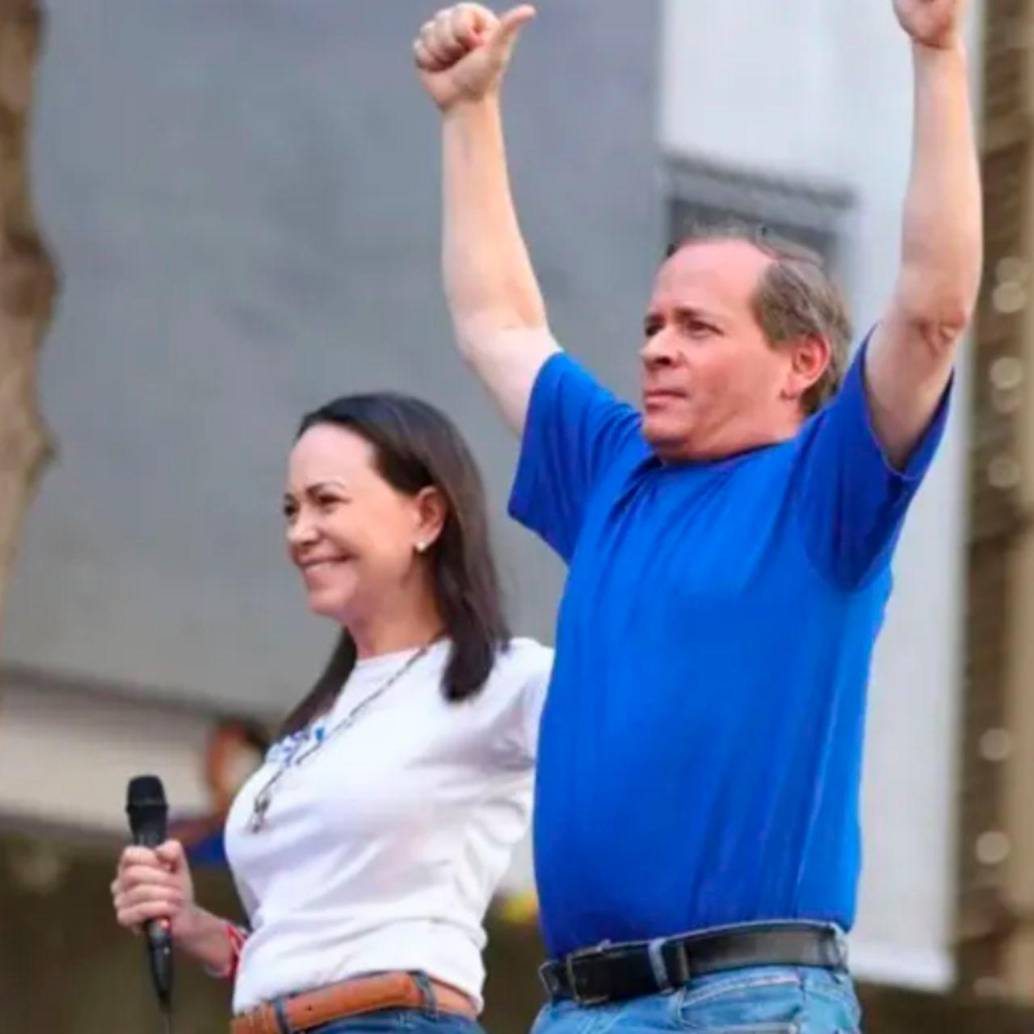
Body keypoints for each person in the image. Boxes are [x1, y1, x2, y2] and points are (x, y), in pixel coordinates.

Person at [414, 2, 981, 1032]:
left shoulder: (827, 489)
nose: (656, 347)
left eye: (695, 326)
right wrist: (469, 111)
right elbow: (497, 320)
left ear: (801, 363)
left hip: (746, 1002)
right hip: (576, 1006)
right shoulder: (611, 466)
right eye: (650, 324)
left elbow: (933, 310)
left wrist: (936, 55)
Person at [111, 393, 552, 1034]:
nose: (299, 532)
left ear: (426, 516)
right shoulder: (319, 717)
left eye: (327, 502)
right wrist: (194, 925)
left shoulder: (507, 677)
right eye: (291, 509)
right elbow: (312, 954)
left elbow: (662, 753)